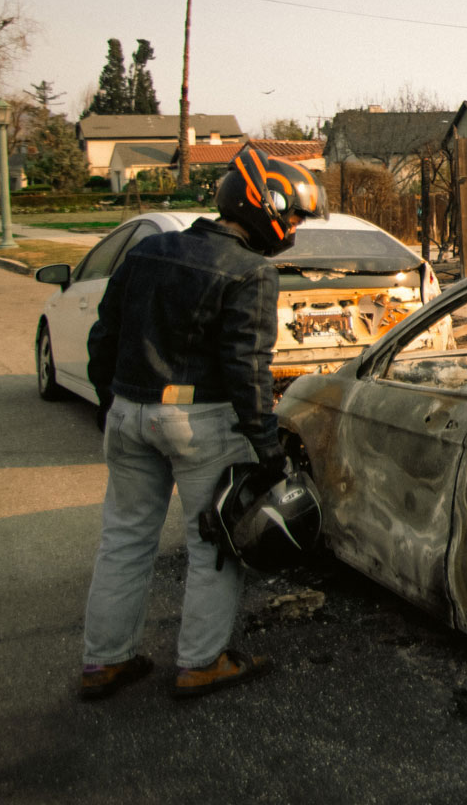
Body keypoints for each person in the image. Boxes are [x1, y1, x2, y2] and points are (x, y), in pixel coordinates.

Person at [78, 144, 326, 701]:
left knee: (124, 539)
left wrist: (108, 400)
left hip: (128, 410)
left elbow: (104, 336)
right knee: (213, 542)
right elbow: (246, 369)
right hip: (199, 422)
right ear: (260, 203)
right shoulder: (252, 271)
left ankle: (104, 662)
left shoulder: (148, 250)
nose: (294, 227)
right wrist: (268, 449)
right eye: (293, 215)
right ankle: (200, 663)